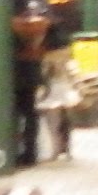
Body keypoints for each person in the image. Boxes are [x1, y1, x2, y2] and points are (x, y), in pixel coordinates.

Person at [10, 1, 50, 167]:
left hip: (12, 76)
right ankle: (30, 152)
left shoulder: (10, 27)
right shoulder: (39, 26)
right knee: (30, 114)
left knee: (14, 114)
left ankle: (12, 150)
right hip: (30, 74)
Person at [38, 11, 75, 161]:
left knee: (53, 122)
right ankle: (68, 149)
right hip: (67, 87)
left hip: (53, 88)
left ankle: (55, 149)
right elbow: (73, 69)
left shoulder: (47, 54)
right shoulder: (68, 51)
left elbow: (45, 73)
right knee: (67, 120)